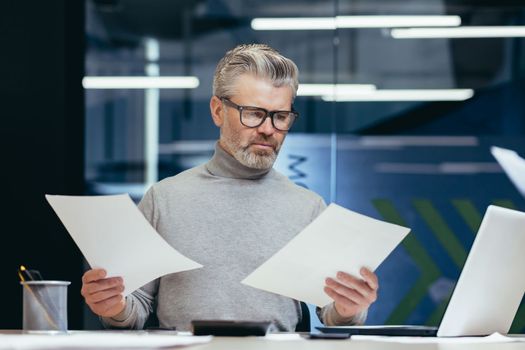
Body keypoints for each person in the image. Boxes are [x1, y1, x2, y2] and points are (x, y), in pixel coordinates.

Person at [81, 44, 379, 331]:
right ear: (217, 111)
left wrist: (348, 308)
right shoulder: (164, 199)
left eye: (280, 116)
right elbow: (135, 307)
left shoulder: (308, 207)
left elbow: (330, 312)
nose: (268, 128)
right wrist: (113, 306)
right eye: (253, 113)